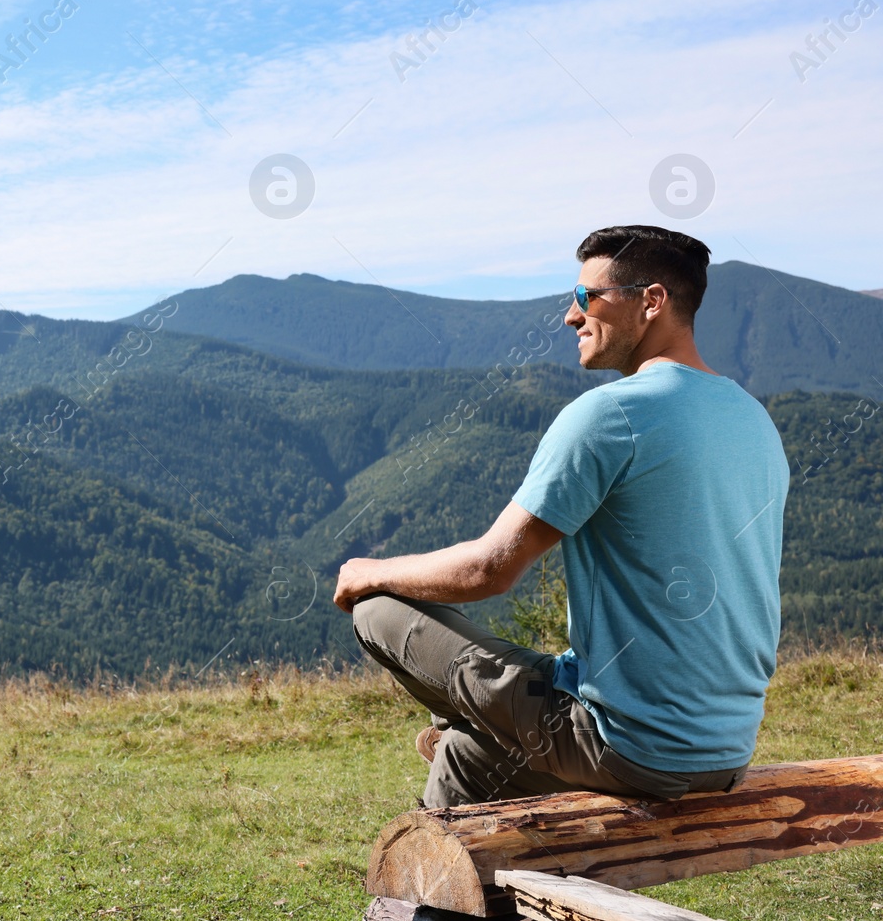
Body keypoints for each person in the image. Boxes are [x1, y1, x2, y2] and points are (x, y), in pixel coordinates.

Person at [334, 225, 789, 807]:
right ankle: (437, 870)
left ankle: (465, 722)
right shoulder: (754, 420)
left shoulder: (611, 415)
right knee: (467, 760)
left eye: (586, 298)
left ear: (651, 302)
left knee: (376, 611)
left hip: (625, 745)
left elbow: (489, 571)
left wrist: (369, 571)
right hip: (722, 750)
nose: (571, 317)